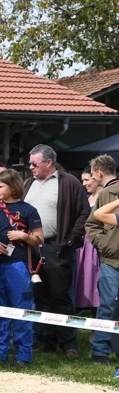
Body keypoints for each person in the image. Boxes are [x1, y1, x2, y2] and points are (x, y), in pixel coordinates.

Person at [24, 144, 90, 358]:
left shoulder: (69, 182)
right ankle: (46, 341)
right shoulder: (28, 183)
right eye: (30, 164)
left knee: (61, 296)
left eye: (34, 163)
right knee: (41, 296)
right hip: (33, 247)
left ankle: (69, 343)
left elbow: (84, 213)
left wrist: (70, 239)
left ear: (49, 162)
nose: (31, 167)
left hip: (57, 246)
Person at [0, 168, 43, 368]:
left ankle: (23, 354)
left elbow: (40, 239)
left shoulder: (28, 210)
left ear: (13, 187)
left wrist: (24, 236)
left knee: (22, 309)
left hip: (19, 265)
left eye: (1, 186)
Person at [86, 155, 119, 363]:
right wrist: (105, 244)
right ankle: (100, 351)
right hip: (111, 261)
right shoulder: (106, 193)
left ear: (98, 173)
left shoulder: (105, 192)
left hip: (110, 259)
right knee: (107, 305)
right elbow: (92, 224)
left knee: (107, 306)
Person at [78, 165, 102, 314]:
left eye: (87, 180)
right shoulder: (86, 199)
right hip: (83, 243)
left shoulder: (105, 198)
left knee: (94, 276)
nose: (84, 184)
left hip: (95, 243)